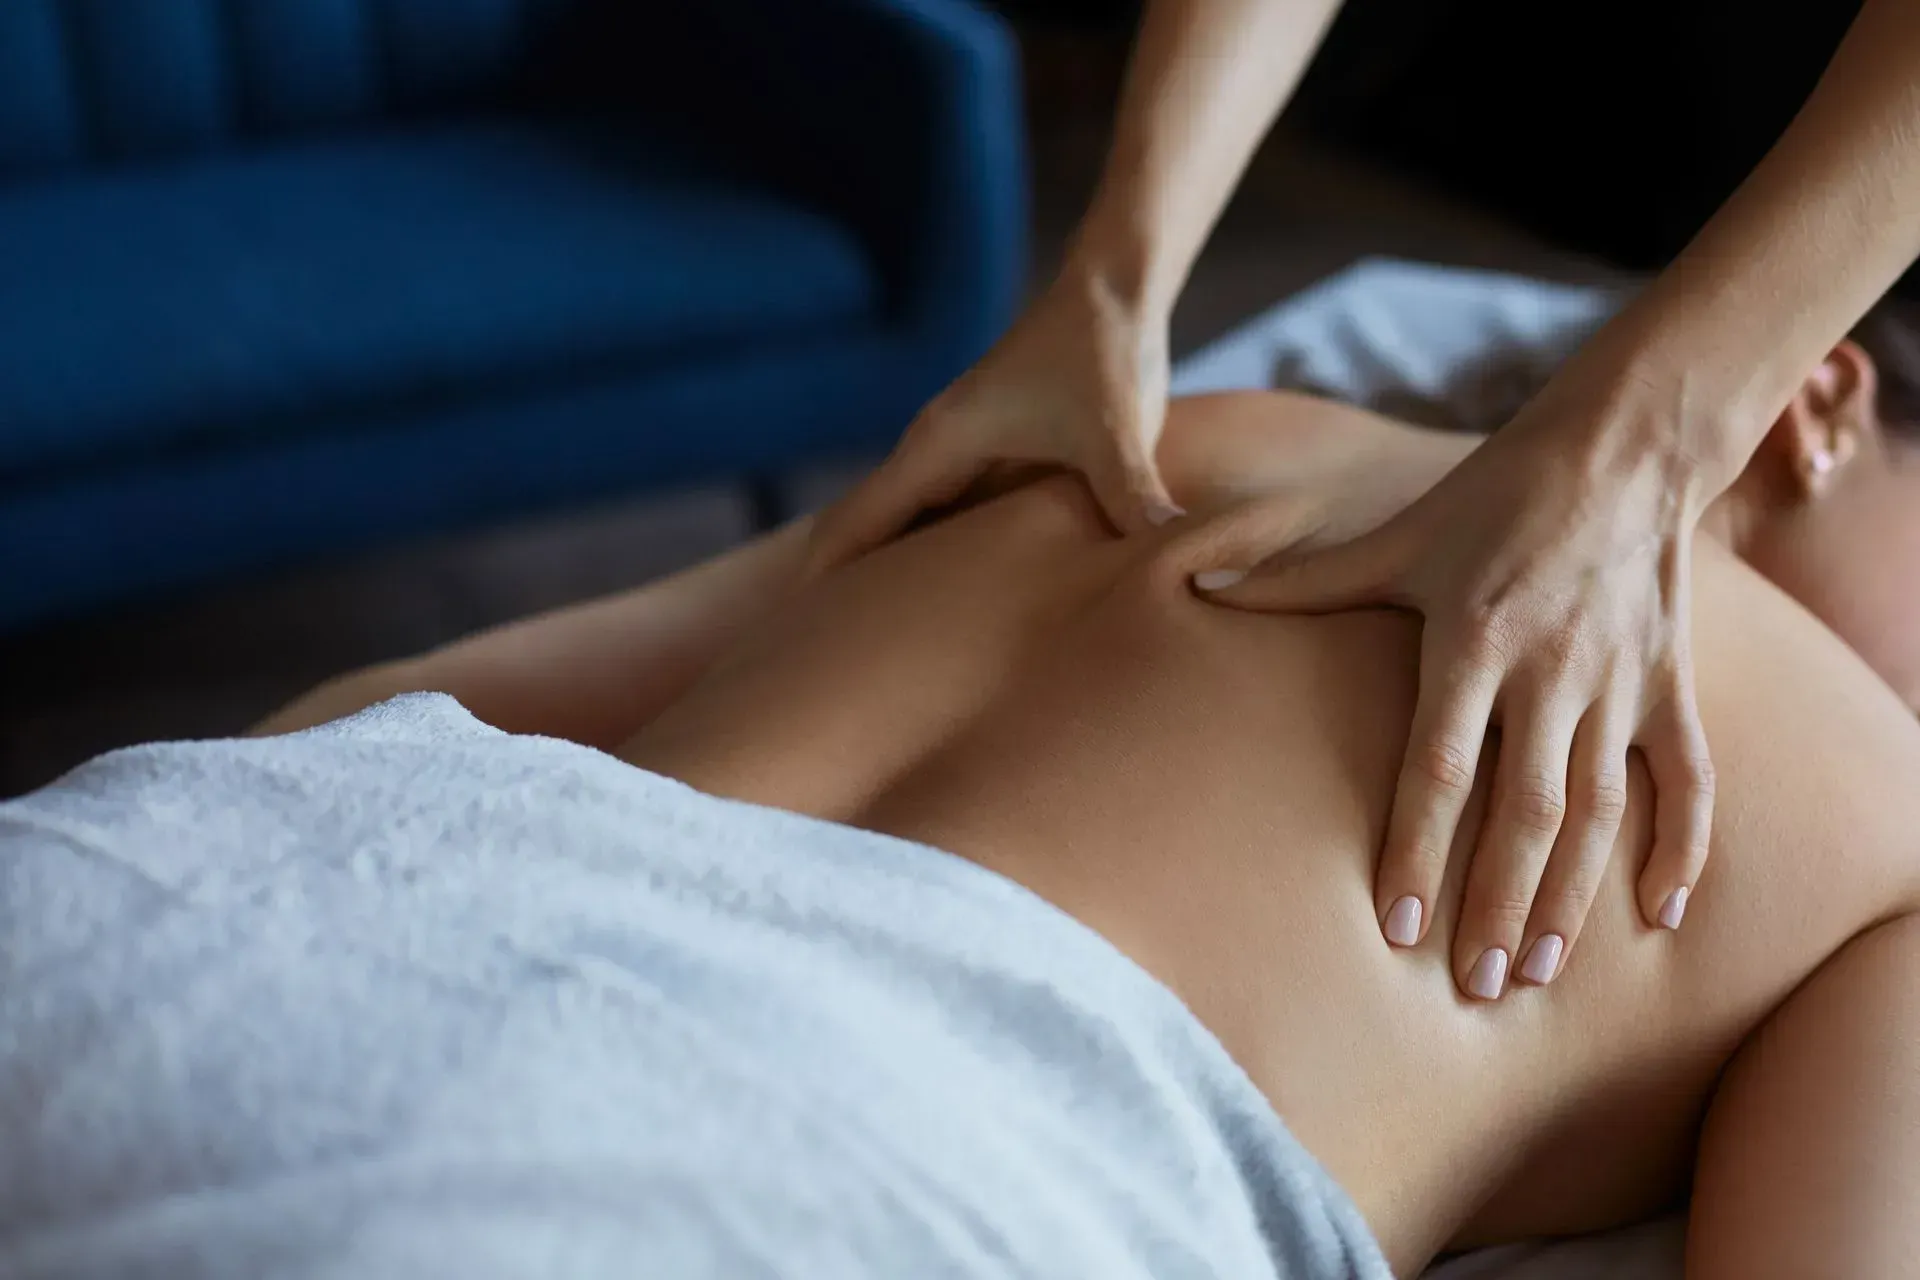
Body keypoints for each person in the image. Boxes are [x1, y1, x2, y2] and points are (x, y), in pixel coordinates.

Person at [146, 324, 1920, 1275]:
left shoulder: (1197, 433)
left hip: (216, 905)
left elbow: (480, 685)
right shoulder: (1884, 823)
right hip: (811, 1168)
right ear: (1819, 399)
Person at [803, 0, 1920, 996]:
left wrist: (1641, 448)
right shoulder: (1875, 828)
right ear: (1822, 403)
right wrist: (1114, 284)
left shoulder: (1238, 444)